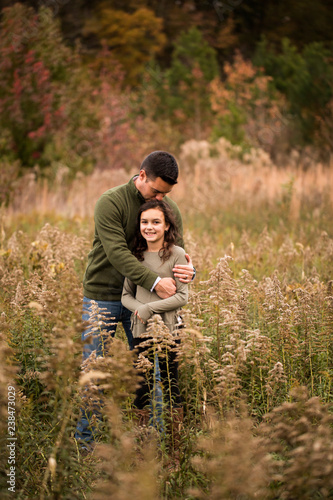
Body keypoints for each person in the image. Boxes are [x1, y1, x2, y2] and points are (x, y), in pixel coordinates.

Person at [75, 151, 195, 445]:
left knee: (148, 370)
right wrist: (155, 281)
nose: (161, 199)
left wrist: (188, 270)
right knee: (94, 370)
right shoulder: (111, 202)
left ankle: (150, 443)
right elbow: (117, 254)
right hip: (102, 296)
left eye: (166, 194)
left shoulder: (168, 208)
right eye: (156, 191)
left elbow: (178, 251)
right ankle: (85, 446)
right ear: (141, 176)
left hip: (144, 302)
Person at [121, 199, 188, 425]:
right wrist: (141, 309)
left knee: (171, 385)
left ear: (167, 225)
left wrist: (148, 307)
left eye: (156, 222)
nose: (149, 227)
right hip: (141, 329)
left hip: (170, 330)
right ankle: (143, 448)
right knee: (142, 388)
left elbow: (182, 296)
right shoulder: (135, 255)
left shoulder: (177, 254)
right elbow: (125, 295)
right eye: (144, 222)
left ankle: (174, 450)